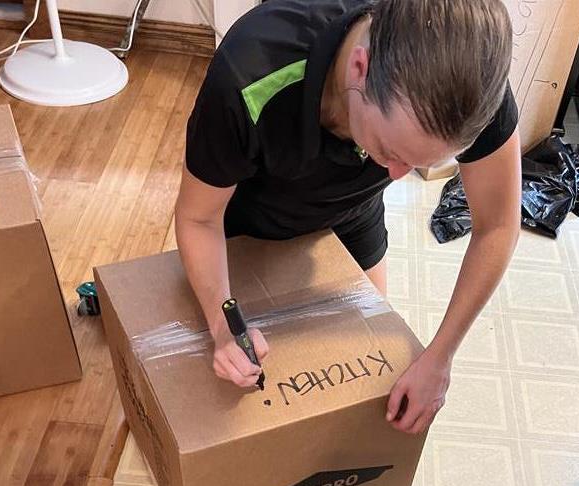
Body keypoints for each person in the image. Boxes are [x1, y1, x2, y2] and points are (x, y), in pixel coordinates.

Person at [176, 0, 521, 435]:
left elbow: (498, 225)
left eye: (417, 164)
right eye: (390, 150)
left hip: (354, 215)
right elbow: (198, 219)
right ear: (360, 66)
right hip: (249, 226)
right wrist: (222, 325)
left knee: (362, 396)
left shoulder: (468, 86)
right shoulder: (249, 74)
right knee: (239, 409)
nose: (397, 174)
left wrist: (440, 357)